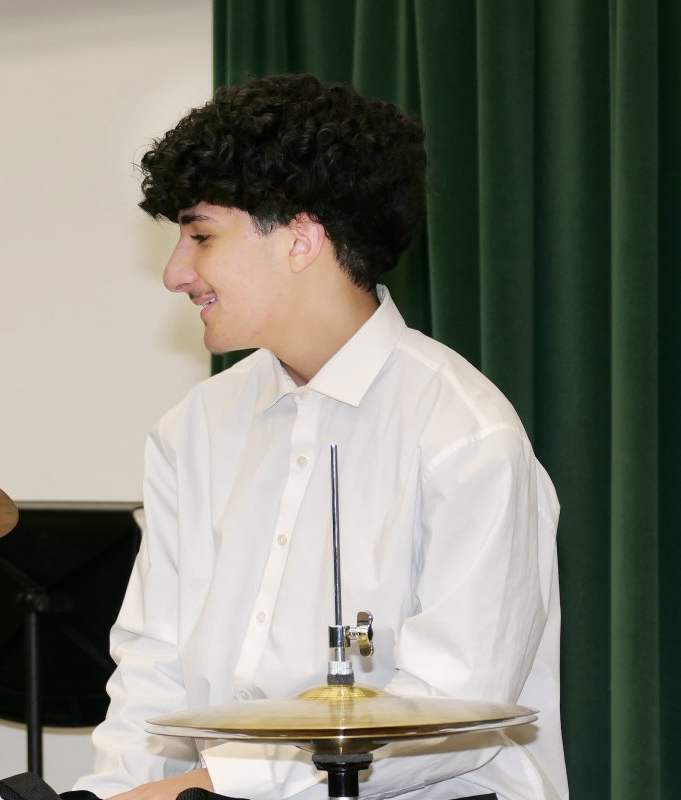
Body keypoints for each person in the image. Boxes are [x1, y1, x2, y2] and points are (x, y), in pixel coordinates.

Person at [73, 74, 568, 800]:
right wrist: (115, 793)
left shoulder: (465, 434)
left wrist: (208, 788)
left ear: (301, 239)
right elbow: (153, 672)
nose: (176, 273)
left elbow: (448, 716)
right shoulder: (192, 429)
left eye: (201, 235)